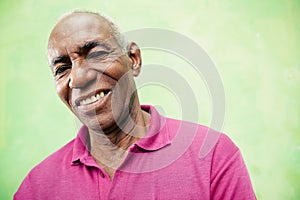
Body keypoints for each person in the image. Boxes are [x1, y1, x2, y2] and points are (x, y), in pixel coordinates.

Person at [14, 11, 256, 200]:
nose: (77, 78)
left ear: (133, 59)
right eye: (62, 69)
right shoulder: (36, 187)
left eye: (96, 54)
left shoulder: (214, 155)